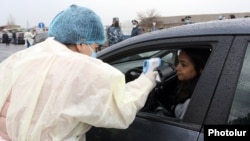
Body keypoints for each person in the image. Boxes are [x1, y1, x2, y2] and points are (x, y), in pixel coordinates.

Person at [0, 5, 158, 141]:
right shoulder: (81, 69)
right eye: (96, 47)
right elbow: (121, 109)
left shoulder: (19, 58)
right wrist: (147, 79)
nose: (94, 53)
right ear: (81, 43)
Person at [173, 48, 211, 119]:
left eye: (183, 65)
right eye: (178, 62)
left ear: (200, 68)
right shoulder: (191, 83)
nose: (177, 68)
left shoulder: (192, 102)